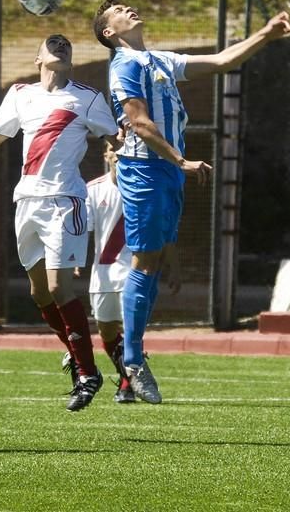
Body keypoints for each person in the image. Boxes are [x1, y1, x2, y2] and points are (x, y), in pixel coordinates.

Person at [93, 1, 290, 403]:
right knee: (145, 260)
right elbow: (139, 123)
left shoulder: (157, 59)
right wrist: (181, 160)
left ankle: (134, 356)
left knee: (154, 261)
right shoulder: (124, 66)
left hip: (166, 171)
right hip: (144, 169)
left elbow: (220, 61)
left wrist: (266, 35)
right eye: (116, 10)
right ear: (109, 33)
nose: (127, 8)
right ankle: (131, 359)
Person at [0, 34, 119, 411]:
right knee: (39, 294)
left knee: (60, 287)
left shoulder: (89, 98)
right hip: (26, 202)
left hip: (65, 201)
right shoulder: (20, 95)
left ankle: (88, 373)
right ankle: (76, 357)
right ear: (37, 58)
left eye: (66, 45)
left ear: (72, 59)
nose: (61, 47)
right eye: (53, 44)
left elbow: (117, 140)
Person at [80, 141, 180, 403]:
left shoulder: (146, 188)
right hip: (102, 274)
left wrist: (173, 266)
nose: (117, 154)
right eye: (113, 149)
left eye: (123, 149)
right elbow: (82, 230)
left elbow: (166, 231)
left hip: (134, 272)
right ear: (106, 154)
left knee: (132, 329)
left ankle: (128, 383)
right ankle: (128, 375)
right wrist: (76, 258)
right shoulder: (92, 190)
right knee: (107, 332)